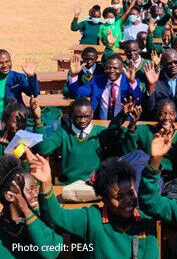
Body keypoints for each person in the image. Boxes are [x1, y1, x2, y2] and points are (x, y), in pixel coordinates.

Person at [29, 151, 160, 259]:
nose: (128, 200)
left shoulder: (145, 222)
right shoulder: (92, 218)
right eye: (119, 197)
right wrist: (46, 183)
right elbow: (55, 217)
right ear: (105, 199)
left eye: (131, 193)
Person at [33, 99, 122, 184]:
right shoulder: (62, 132)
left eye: (86, 116)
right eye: (79, 117)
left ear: (92, 114)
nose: (83, 120)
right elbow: (43, 149)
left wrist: (123, 115)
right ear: (71, 115)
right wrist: (38, 120)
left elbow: (117, 137)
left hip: (94, 184)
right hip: (67, 184)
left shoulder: (100, 131)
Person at [0, 155, 63, 259]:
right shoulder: (3, 228)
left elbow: (51, 251)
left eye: (36, 188)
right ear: (10, 196)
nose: (35, 194)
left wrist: (27, 211)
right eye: (30, 190)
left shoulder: (41, 217)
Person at [67, 54, 142, 119]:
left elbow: (138, 101)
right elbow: (77, 94)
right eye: (108, 68)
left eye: (115, 68)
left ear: (122, 69)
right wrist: (74, 75)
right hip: (101, 123)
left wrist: (132, 82)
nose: (111, 71)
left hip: (123, 123)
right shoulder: (97, 80)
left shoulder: (129, 81)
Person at [0, 50, 39, 118]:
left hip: (15, 120)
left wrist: (31, 77)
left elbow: (34, 93)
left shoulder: (17, 77)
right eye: (1, 63)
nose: (5, 65)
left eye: (7, 61)